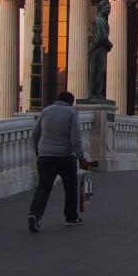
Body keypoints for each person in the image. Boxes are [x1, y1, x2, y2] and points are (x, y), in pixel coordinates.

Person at [28, 91, 89, 232]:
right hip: (65, 157)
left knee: (43, 188)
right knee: (70, 187)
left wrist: (38, 152)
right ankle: (71, 217)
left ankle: (34, 214)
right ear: (71, 102)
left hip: (45, 156)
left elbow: (35, 134)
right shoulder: (71, 112)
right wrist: (81, 158)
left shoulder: (46, 111)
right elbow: (76, 138)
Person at [87, 0, 113, 102]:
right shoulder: (100, 20)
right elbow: (102, 35)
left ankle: (95, 93)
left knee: (98, 71)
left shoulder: (102, 20)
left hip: (99, 48)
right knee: (97, 71)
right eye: (107, 8)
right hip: (97, 49)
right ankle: (94, 94)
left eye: (109, 8)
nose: (109, 10)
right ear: (101, 9)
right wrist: (109, 44)